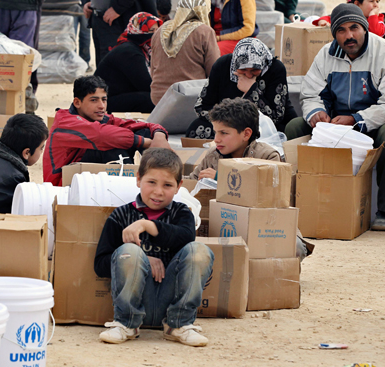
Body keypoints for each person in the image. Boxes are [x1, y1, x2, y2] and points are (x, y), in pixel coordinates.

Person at [285, 3, 385, 231]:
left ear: (364, 28)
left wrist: (356, 119)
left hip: (373, 125)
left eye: (354, 28)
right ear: (334, 34)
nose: (349, 35)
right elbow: (310, 93)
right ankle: (294, 202)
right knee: (294, 127)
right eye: (341, 30)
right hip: (333, 126)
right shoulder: (326, 54)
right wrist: (316, 113)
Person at [94, 147, 214, 346]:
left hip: (171, 300)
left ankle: (180, 324)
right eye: (151, 182)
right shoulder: (121, 216)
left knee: (200, 250)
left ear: (178, 186)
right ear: (138, 179)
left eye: (167, 185)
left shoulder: (181, 213)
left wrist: (147, 225)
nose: (158, 191)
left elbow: (185, 237)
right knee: (129, 251)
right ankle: (125, 323)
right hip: (139, 298)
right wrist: (143, 261)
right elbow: (100, 264)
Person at [43, 75, 171, 185]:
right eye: (94, 100)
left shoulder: (101, 118)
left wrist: (159, 136)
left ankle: (160, 179)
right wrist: (147, 143)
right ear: (77, 103)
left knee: (143, 132)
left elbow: (142, 125)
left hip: (85, 178)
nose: (101, 106)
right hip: (63, 186)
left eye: (104, 100)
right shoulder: (65, 122)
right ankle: (130, 188)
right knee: (111, 145)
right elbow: (101, 135)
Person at [186, 38, 297, 139]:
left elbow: (274, 117)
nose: (248, 75)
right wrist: (229, 122)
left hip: (262, 126)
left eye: (254, 70)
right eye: (243, 70)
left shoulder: (275, 69)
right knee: (197, 127)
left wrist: (251, 90)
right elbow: (201, 106)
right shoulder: (222, 65)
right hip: (226, 123)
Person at [189, 97, 280, 180]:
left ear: (246, 134)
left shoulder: (267, 157)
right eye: (215, 132)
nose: (216, 139)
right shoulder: (212, 155)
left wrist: (220, 177)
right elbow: (190, 181)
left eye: (224, 133)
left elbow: (265, 189)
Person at [150, 0, 220, 105]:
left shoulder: (160, 30)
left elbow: (153, 70)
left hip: (159, 98)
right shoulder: (204, 32)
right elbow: (214, 71)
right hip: (191, 97)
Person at [94, 12, 162, 113]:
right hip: (103, 102)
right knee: (153, 99)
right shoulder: (129, 52)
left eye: (158, 30)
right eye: (151, 31)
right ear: (138, 31)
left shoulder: (141, 49)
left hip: (118, 95)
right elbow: (145, 84)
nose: (156, 35)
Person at [82, 0, 157, 66]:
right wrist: (88, 2)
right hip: (98, 18)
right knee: (103, 65)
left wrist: (118, 8)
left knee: (120, 65)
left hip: (121, 18)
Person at [313, 0, 385, 38]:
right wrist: (323, 21)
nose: (376, 5)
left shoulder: (379, 20)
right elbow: (331, 17)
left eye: (377, 1)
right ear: (357, 4)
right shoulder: (349, 16)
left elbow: (375, 33)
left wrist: (372, 15)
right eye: (371, 1)